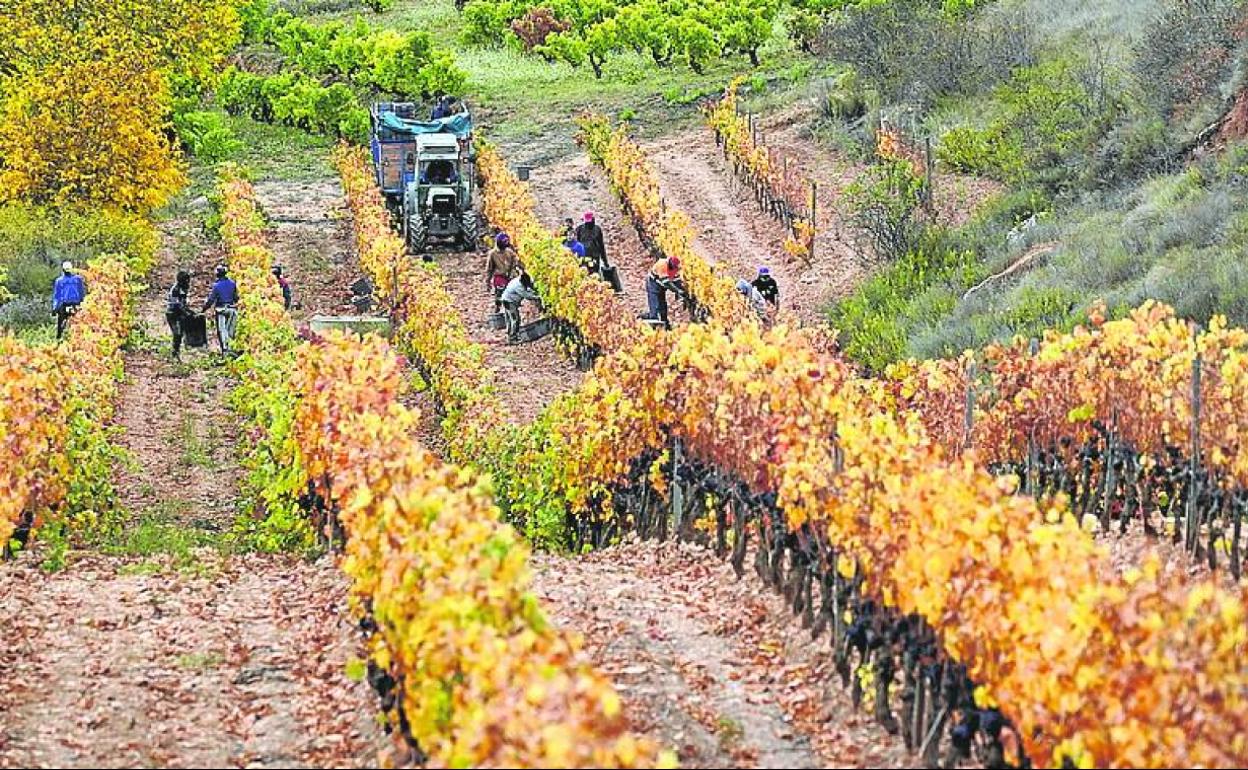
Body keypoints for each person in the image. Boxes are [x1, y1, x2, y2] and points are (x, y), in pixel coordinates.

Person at [202, 264, 239, 354]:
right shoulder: (232, 283)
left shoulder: (216, 286)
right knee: (231, 330)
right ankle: (232, 349)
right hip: (232, 309)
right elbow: (236, 298)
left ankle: (225, 351)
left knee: (222, 330)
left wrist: (204, 309)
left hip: (221, 310)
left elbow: (211, 300)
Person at [500, 271, 541, 342]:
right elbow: (527, 295)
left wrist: (533, 291)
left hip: (506, 299)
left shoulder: (518, 279)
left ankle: (510, 335)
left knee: (509, 319)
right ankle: (513, 338)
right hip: (509, 302)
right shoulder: (518, 286)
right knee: (515, 319)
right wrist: (538, 296)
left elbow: (528, 289)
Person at [51, 260, 87, 341]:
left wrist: (54, 308)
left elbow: (57, 296)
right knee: (79, 322)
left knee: (60, 322)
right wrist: (83, 304)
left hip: (64, 305)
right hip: (76, 304)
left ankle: (59, 338)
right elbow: (82, 292)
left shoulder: (59, 281)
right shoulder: (78, 279)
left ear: (63, 270)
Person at [644, 256, 682, 330]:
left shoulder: (674, 266)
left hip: (660, 286)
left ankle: (665, 324)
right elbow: (666, 282)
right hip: (653, 284)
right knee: (655, 306)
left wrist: (680, 290)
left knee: (663, 306)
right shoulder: (662, 265)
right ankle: (654, 326)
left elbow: (676, 280)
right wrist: (677, 290)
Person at [485, 233, 518, 312]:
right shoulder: (493, 254)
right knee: (500, 293)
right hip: (500, 277)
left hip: (510, 276)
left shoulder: (510, 252)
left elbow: (516, 263)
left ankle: (512, 309)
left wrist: (514, 272)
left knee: (512, 295)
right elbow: (489, 269)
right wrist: (488, 282)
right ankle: (498, 307)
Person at [166, 270, 193, 359]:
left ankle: (176, 352)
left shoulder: (184, 288)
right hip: (172, 314)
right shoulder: (175, 289)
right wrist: (186, 312)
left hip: (179, 313)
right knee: (177, 333)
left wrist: (189, 311)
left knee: (180, 333)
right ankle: (175, 352)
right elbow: (176, 304)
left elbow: (183, 303)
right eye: (186, 280)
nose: (188, 282)